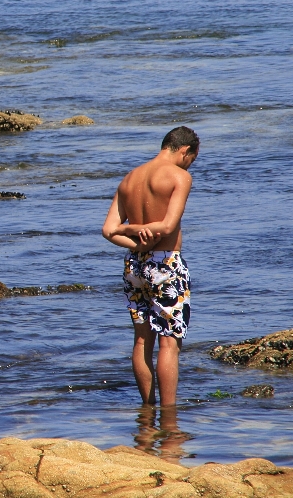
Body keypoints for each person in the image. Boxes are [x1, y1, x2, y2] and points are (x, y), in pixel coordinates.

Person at [102, 126, 199, 407]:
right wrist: (143, 230)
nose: (190, 164)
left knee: (142, 341)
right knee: (169, 342)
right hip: (166, 263)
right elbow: (168, 225)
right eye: (192, 158)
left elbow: (109, 230)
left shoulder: (130, 179)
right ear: (184, 151)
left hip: (135, 266)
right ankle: (169, 416)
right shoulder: (180, 177)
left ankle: (148, 409)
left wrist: (135, 240)